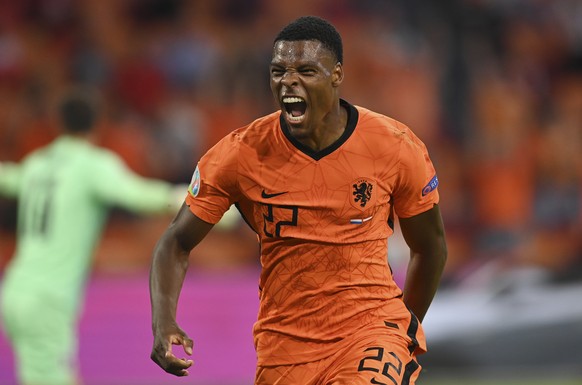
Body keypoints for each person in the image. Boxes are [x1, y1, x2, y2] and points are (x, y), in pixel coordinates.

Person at [150, 15, 447, 385]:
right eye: (278, 71)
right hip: (285, 347)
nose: (288, 81)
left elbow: (430, 244)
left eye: (306, 70)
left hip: (371, 329)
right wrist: (164, 321)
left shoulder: (394, 146)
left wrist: (405, 326)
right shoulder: (240, 154)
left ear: (336, 74)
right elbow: (176, 241)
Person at [0, 89, 186, 385]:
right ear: (97, 124)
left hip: (14, 290)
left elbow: (8, 179)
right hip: (48, 297)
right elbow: (139, 196)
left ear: (58, 122)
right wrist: (191, 200)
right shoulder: (92, 165)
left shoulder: (37, 162)